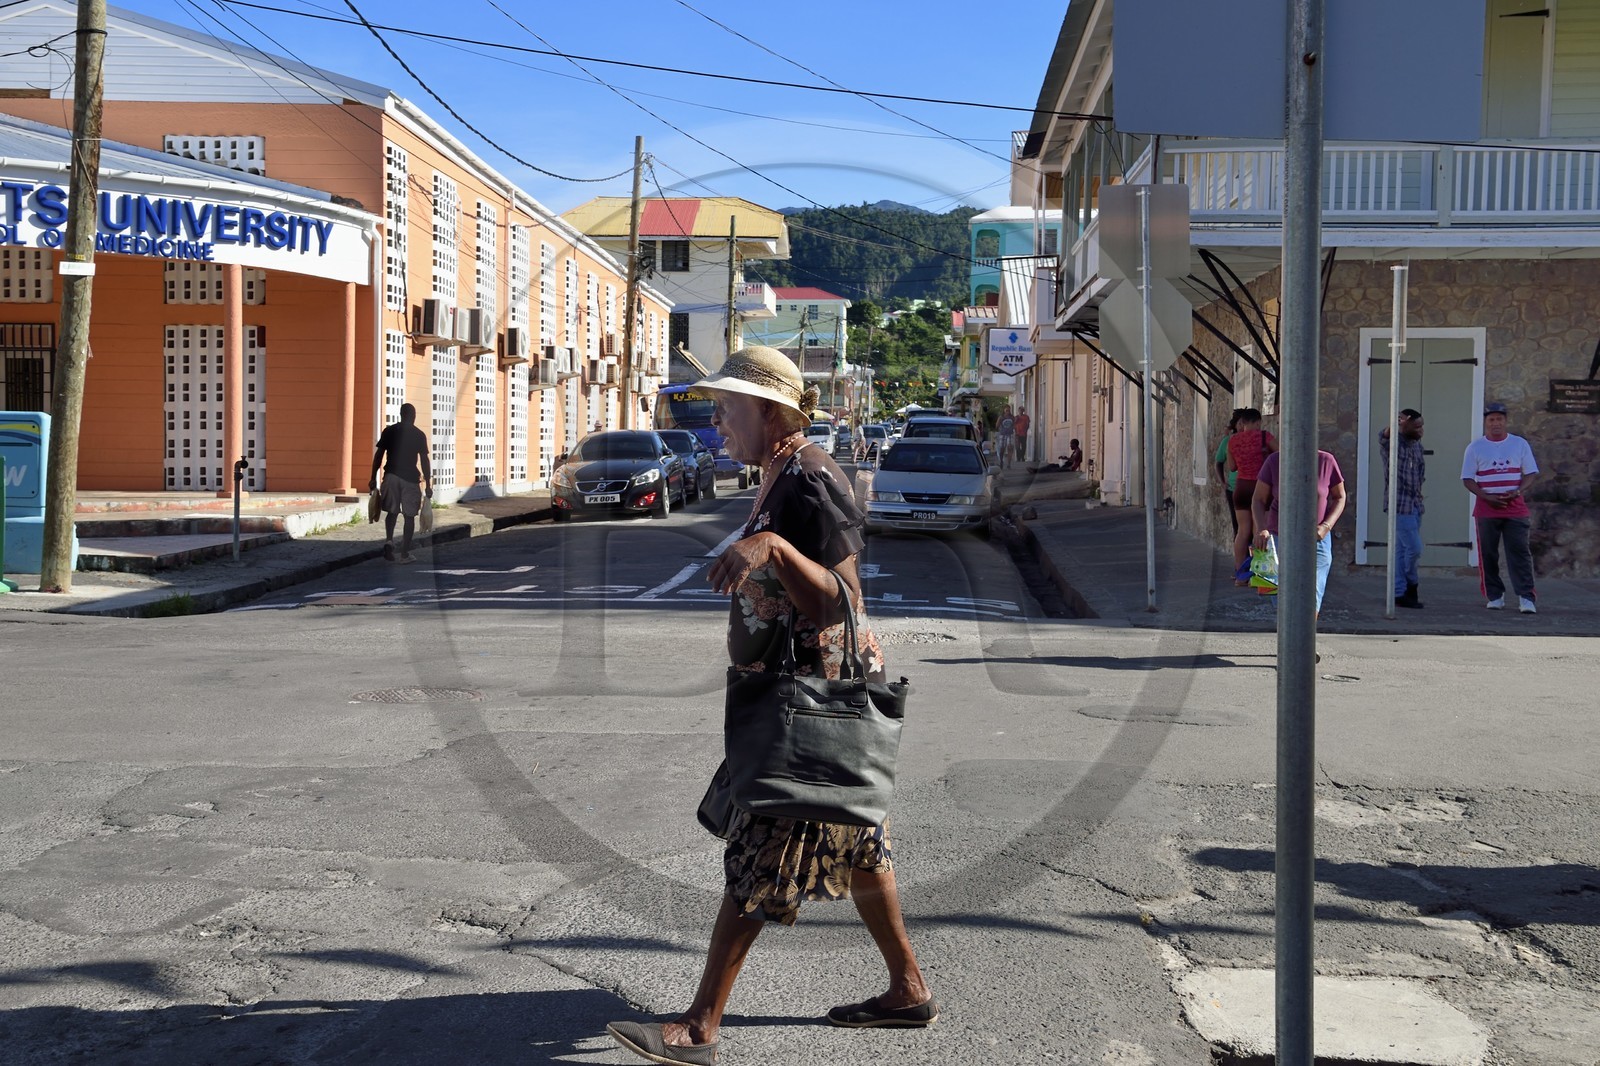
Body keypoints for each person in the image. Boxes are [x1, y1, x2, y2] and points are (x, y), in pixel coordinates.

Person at [606, 346, 936, 1066]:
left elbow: (844, 601)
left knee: (762, 850)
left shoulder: (811, 478)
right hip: (799, 696)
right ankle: (907, 989)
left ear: (773, 411)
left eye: (729, 408)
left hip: (809, 705)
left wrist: (774, 550)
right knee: (858, 845)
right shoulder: (778, 471)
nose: (717, 421)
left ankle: (698, 1027)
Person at [1461, 401, 1539, 613]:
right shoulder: (1475, 447)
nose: (1496, 423)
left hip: (1515, 508)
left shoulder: (1519, 444)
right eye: (1491, 419)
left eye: (1500, 419)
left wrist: (1518, 491)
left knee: (1520, 553)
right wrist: (1486, 496)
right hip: (1487, 509)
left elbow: (1531, 473)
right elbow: (1467, 479)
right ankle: (1495, 596)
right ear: (1486, 423)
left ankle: (1526, 597)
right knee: (1488, 554)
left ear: (1506, 421)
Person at [1252, 447, 1346, 616]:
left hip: (1316, 540)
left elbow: (1340, 497)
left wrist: (1326, 526)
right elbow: (1258, 499)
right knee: (1283, 597)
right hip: (1280, 537)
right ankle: (1288, 640)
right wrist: (1261, 529)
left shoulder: (1326, 461)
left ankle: (1304, 641)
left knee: (1311, 597)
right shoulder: (1274, 461)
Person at [368, 403, 431, 564]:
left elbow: (378, 456)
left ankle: (389, 540)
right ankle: (404, 554)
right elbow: (424, 460)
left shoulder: (389, 431)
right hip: (410, 479)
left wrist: (373, 477)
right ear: (413, 416)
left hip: (391, 476)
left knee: (392, 512)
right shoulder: (418, 434)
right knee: (409, 516)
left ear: (401, 414)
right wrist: (429, 484)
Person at [1378, 409, 1426, 608]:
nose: (1421, 430)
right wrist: (1396, 423)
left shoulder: (1417, 446)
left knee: (1400, 551)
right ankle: (1411, 584)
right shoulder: (1393, 444)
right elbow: (1383, 436)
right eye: (1417, 426)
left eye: (1422, 426)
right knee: (1414, 549)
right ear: (1405, 424)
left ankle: (1399, 593)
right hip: (1399, 505)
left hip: (1415, 505)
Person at [1226, 408, 1276, 585]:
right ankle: (1259, 575)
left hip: (1241, 487)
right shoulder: (1265, 437)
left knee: (1242, 531)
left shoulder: (1232, 441)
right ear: (1256, 422)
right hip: (1260, 487)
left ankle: (1240, 577)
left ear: (1242, 423)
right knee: (1259, 530)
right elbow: (1279, 458)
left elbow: (1232, 467)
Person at [1213, 409, 1246, 538]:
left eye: (1245, 424)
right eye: (1240, 424)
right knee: (1238, 526)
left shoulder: (1257, 439)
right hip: (1234, 488)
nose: (1243, 427)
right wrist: (1222, 482)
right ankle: (1240, 556)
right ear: (1235, 426)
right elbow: (1218, 462)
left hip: (1253, 487)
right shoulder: (1228, 441)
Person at [995, 405, 1016, 470]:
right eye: (1006, 410)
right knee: (1002, 449)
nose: (1008, 412)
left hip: (1010, 434)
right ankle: (1001, 461)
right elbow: (997, 426)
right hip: (1003, 434)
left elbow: (1014, 425)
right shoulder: (1001, 417)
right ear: (1004, 410)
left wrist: (1015, 431)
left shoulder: (1012, 417)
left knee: (1010, 447)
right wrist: (999, 429)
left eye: (1009, 410)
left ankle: (1009, 464)